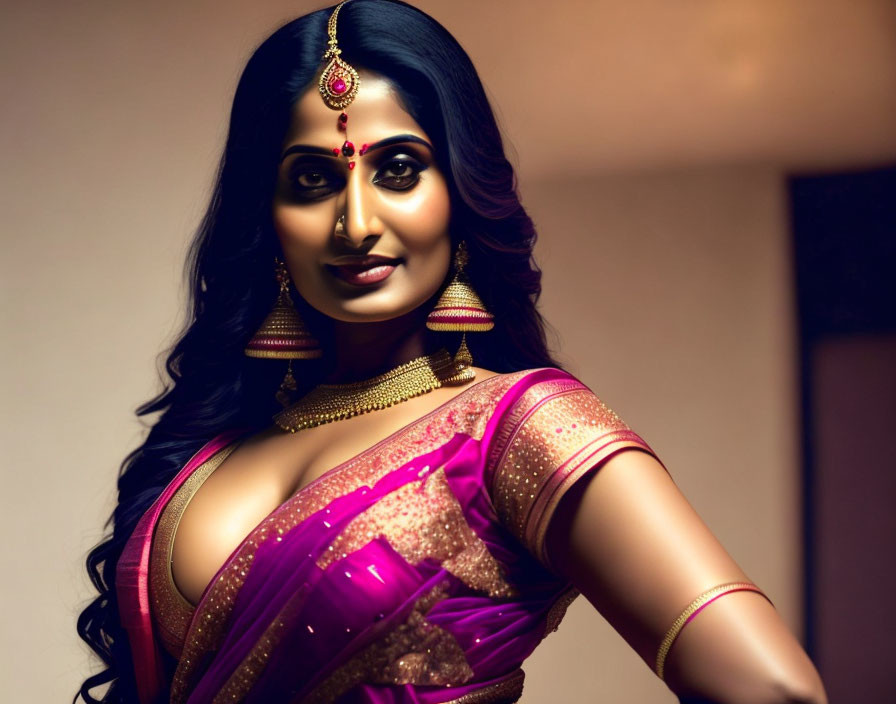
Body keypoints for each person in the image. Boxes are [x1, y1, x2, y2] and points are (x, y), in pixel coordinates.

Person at [76, 1, 827, 702]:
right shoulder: (210, 451)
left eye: (398, 169)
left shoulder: (518, 428)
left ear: (459, 192)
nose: (356, 222)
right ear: (267, 215)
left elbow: (775, 691)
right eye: (313, 179)